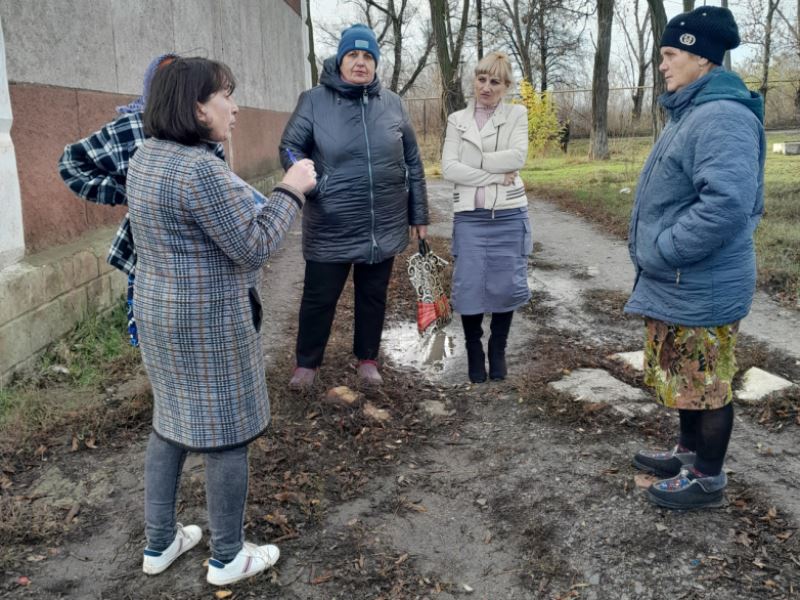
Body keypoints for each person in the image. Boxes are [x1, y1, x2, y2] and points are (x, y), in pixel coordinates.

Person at [126, 57, 316, 585]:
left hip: (159, 312)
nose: (233, 106)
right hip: (206, 323)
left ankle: (159, 543)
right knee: (226, 434)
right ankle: (228, 557)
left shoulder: (146, 157)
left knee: (170, 425)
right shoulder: (199, 168)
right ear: (196, 107)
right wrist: (291, 189)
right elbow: (252, 247)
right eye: (225, 95)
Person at [624, 7, 765, 510]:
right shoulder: (693, 110)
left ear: (701, 57)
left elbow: (726, 205)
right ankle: (687, 454)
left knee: (707, 384)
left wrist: (664, 250)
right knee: (684, 377)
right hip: (680, 280)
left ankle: (708, 477)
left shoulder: (722, 115)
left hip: (698, 278)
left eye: (669, 54)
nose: (661, 64)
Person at [280, 23, 429, 389]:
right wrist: (318, 185)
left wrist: (419, 212)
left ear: (376, 63)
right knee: (319, 297)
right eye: (353, 55)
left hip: (384, 222)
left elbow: (413, 160)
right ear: (341, 59)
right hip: (332, 221)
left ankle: (367, 358)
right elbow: (289, 148)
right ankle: (307, 364)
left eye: (367, 56)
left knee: (373, 296)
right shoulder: (313, 100)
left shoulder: (393, 103)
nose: (360, 63)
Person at [58, 53, 194, 347]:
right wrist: (126, 191)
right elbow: (72, 163)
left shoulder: (201, 127)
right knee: (155, 335)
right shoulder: (133, 126)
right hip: (149, 251)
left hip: (194, 254)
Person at [441, 51, 531, 383]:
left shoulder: (516, 115)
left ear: (506, 86)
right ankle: (474, 349)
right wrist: (494, 173)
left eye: (495, 81)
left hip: (508, 214)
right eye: (482, 79)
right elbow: (449, 168)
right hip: (470, 217)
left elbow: (518, 156)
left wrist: (473, 165)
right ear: (473, 81)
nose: (487, 87)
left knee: (505, 285)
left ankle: (498, 348)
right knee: (469, 287)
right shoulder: (457, 120)